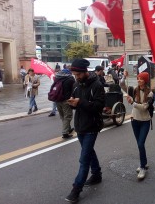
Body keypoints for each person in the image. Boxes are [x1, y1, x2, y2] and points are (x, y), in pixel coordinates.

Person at [65, 59, 105, 202]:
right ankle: (97, 174)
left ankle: (76, 189)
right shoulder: (76, 85)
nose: (76, 77)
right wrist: (72, 103)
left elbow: (99, 106)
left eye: (78, 74)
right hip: (80, 125)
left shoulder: (97, 85)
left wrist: (80, 102)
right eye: (75, 74)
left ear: (85, 72)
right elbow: (76, 104)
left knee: (84, 159)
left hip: (92, 126)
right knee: (89, 152)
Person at [126, 72, 153, 180]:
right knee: (139, 144)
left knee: (141, 143)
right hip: (134, 120)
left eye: (141, 79)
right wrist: (124, 77)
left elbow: (145, 107)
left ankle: (142, 167)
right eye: (138, 78)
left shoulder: (150, 93)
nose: (139, 80)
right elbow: (123, 86)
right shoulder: (135, 90)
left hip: (145, 121)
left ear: (145, 80)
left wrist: (133, 103)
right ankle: (144, 163)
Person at [54, 68, 75, 138]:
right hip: (66, 100)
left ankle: (68, 129)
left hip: (57, 99)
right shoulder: (70, 79)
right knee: (68, 116)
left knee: (63, 116)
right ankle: (65, 132)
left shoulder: (57, 78)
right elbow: (74, 89)